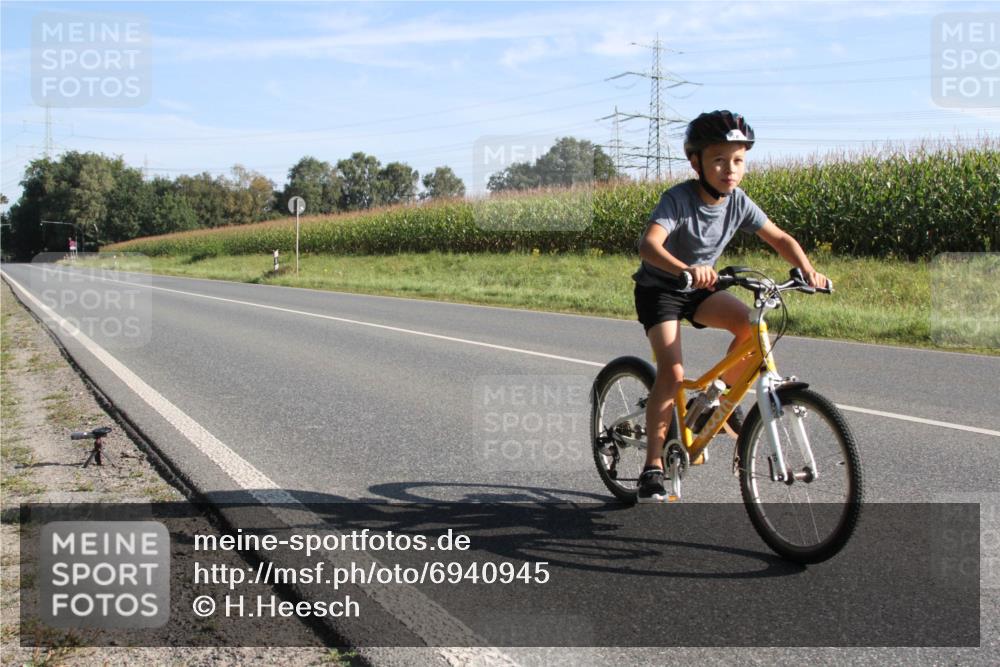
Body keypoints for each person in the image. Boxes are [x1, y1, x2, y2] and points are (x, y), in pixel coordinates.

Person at [632, 110, 829, 503]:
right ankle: (652, 467)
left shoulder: (738, 202)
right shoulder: (679, 199)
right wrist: (685, 269)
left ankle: (713, 399)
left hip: (701, 288)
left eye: (738, 160)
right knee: (671, 373)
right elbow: (649, 245)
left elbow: (780, 238)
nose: (730, 169)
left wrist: (807, 269)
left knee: (750, 328)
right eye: (719, 159)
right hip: (662, 289)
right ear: (696, 162)